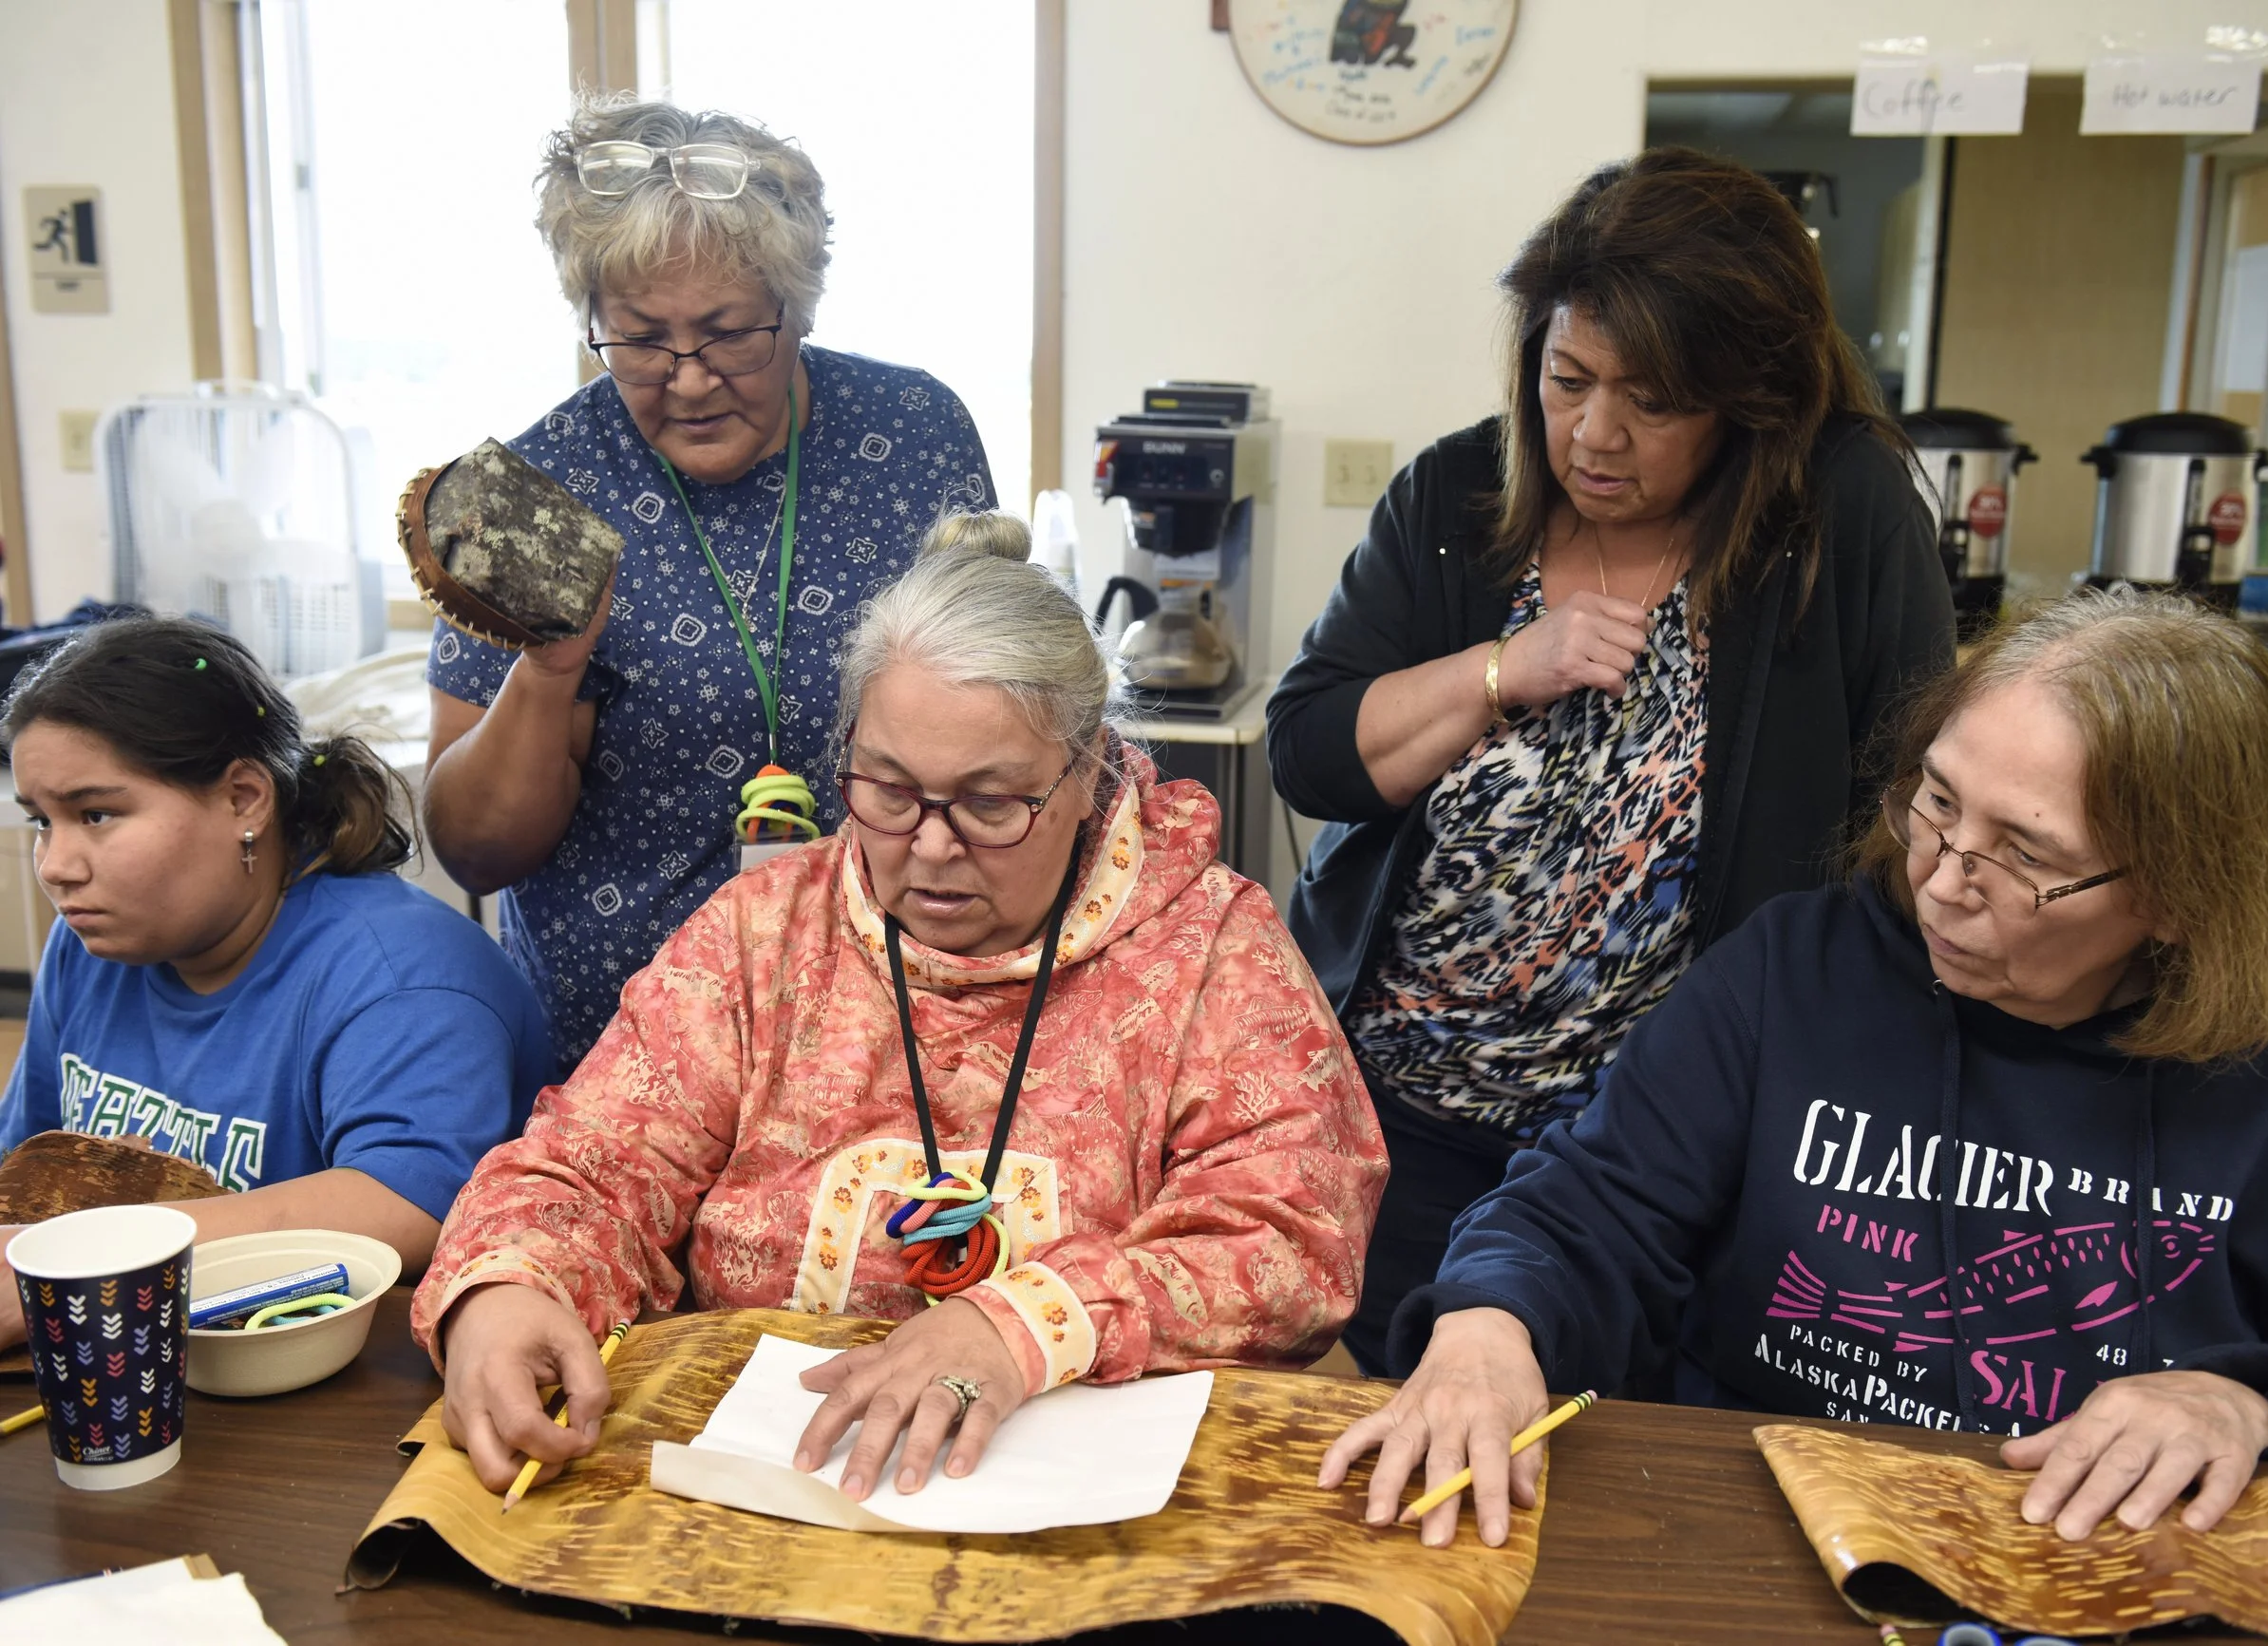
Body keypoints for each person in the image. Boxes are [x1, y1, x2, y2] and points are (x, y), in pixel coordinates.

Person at [1323, 587, 2268, 1548]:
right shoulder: (1796, 968)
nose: (1942, 881)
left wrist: (2253, 1403)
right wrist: (1487, 1328)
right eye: (1939, 800)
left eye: (2026, 854)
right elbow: (1582, 1210)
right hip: (1752, 1536)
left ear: (2182, 896)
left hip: (2102, 1570)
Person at [416, 514, 1386, 1503]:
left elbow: (1290, 1236)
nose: (929, 847)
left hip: (1092, 1520)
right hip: (775, 1494)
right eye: (887, 789)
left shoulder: (1209, 947)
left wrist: (1024, 1323)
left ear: (1090, 770)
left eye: (991, 803)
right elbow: (589, 1166)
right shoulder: (763, 935)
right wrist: (506, 1288)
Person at [1266, 148, 1955, 1372]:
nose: (1594, 433)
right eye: (1566, 378)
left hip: (1648, 1148)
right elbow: (1312, 753)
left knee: (1603, 1465)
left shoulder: (1835, 515)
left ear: (1747, 400)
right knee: (1386, 1425)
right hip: (1401, 1110)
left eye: (1652, 400)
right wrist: (1501, 669)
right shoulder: (1457, 494)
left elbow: (1901, 812)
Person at [424, 97, 996, 1070]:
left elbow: (995, 701)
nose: (689, 380)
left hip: (892, 1008)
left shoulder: (913, 431)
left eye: (731, 334)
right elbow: (475, 851)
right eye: (641, 339)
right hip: (628, 1037)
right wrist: (549, 669)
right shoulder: (534, 492)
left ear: (798, 306)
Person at [0, 616, 553, 1347]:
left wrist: (82, 1262)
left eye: (96, 813)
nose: (55, 865)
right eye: (42, 820)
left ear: (243, 799)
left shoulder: (406, 978)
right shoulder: (90, 948)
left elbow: (409, 1205)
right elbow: (25, 1168)